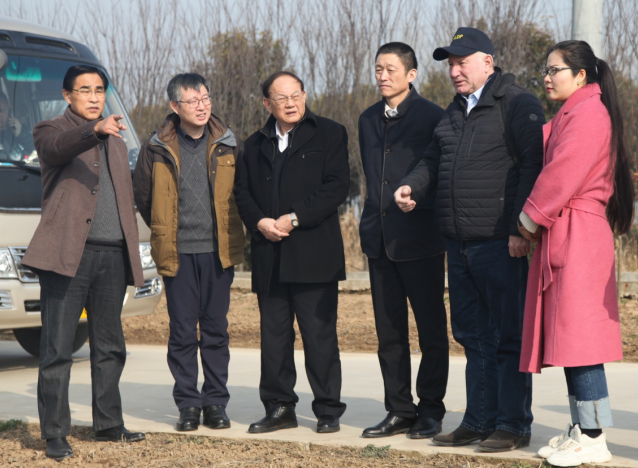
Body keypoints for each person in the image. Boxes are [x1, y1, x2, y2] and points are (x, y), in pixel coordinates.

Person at [395, 27, 545, 452]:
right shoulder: (454, 111)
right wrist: (412, 185)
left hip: (500, 241)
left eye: (462, 62)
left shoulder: (517, 103)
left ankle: (513, 424)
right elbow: (433, 159)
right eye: (450, 64)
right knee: (473, 335)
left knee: (508, 336)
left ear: (487, 63)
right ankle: (478, 420)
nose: (454, 71)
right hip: (458, 243)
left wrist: (520, 229)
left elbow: (533, 166)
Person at [517, 40, 634, 467]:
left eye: (555, 70)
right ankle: (582, 428)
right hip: (568, 231)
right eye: (545, 70)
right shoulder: (576, 112)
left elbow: (562, 172)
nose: (547, 78)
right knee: (569, 341)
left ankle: (594, 436)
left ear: (581, 75)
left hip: (578, 234)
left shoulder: (589, 114)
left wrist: (529, 218)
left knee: (580, 342)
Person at [22, 65, 146, 461]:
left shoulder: (117, 139)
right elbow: (55, 149)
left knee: (110, 346)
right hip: (67, 256)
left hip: (112, 255)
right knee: (57, 348)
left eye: (99, 90)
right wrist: (94, 130)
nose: (94, 97)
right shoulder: (51, 129)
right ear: (67, 95)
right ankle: (55, 434)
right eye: (85, 90)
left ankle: (109, 424)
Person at [235, 71, 349, 434]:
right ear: (267, 103)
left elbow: (337, 187)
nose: (290, 103)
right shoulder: (254, 144)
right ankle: (279, 407)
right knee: (274, 340)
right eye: (281, 98)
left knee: (319, 338)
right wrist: (259, 222)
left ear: (305, 95)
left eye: (296, 95)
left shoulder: (329, 133)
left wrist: (294, 218)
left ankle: (328, 409)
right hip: (270, 255)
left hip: (314, 256)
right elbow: (242, 193)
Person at [134, 73, 245, 432]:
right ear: (174, 106)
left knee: (215, 330)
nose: (202, 106)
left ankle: (215, 403)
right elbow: (143, 197)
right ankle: (188, 405)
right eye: (193, 101)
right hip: (177, 253)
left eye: (206, 99)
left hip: (218, 251)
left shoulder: (228, 143)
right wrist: (165, 229)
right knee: (182, 331)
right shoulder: (156, 147)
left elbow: (242, 192)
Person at [358, 42, 449, 439]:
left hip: (420, 239)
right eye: (378, 69)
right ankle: (398, 409)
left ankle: (430, 410)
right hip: (379, 241)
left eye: (391, 69)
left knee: (431, 332)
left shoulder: (434, 117)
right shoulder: (367, 119)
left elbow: (440, 174)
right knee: (389, 334)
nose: (382, 76)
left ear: (411, 75)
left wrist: (418, 199)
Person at [0, 93, 35, 161]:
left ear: (9, 109)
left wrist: (20, 133)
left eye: (2, 110)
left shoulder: (21, 129)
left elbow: (37, 150)